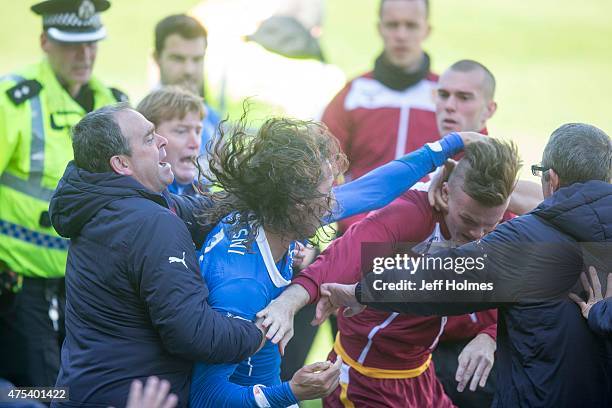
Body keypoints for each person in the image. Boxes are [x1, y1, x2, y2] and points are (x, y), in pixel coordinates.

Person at [188, 114, 483, 407]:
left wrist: (449, 145)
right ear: (296, 202)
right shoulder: (242, 286)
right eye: (327, 194)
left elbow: (371, 190)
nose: (335, 202)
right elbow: (205, 399)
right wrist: (292, 392)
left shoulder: (267, 216)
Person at [321, 123, 612, 406]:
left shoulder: (527, 241)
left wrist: (360, 292)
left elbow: (440, 282)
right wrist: (603, 315)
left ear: (552, 179)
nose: (476, 233)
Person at [259, 137, 521, 407]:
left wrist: (490, 336)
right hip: (366, 382)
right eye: (467, 221)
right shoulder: (411, 215)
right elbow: (344, 254)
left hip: (421, 375)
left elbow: (524, 282)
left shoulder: (497, 219)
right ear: (445, 194)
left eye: (490, 226)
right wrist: (289, 302)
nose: (478, 236)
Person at [48, 104, 265, 407]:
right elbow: (193, 332)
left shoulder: (105, 201)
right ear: (122, 163)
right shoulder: (151, 222)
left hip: (84, 391)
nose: (162, 141)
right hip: (130, 398)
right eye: (150, 139)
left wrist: (258, 195)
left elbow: (197, 212)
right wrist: (257, 332)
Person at [0, 0, 126, 387]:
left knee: (85, 388)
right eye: (72, 44)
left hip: (89, 287)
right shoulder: (14, 99)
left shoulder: (114, 104)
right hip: (21, 285)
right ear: (44, 41)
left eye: (91, 43)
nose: (84, 54)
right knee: (38, 390)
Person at [322, 0, 438, 234]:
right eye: (393, 25)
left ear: (426, 30)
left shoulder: (448, 96)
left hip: (429, 241)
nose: (401, 35)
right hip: (357, 235)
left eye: (411, 25)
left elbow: (475, 166)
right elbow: (320, 165)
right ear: (379, 29)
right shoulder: (354, 94)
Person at [154, 14, 220, 157]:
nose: (189, 70)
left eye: (197, 59)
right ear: (157, 58)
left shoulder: (212, 118)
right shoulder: (144, 123)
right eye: (178, 59)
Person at [137, 86, 204, 196]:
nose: (195, 143)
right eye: (181, 131)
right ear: (149, 138)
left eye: (198, 131)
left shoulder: (201, 192)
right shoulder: (138, 198)